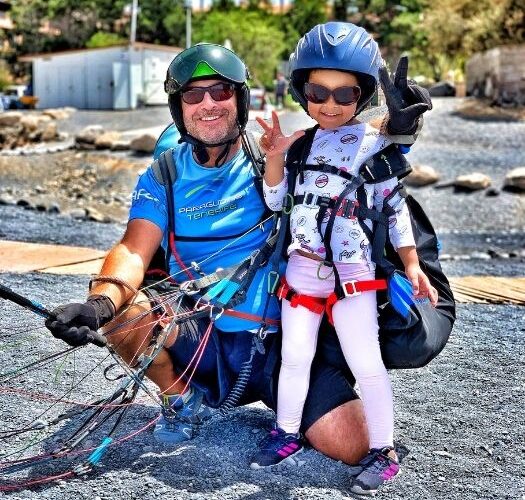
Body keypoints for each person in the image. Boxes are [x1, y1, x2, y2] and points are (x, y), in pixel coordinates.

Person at [44, 41, 432, 470]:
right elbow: (133, 248)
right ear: (178, 106)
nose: (208, 104)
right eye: (193, 94)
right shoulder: (164, 175)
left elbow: (346, 148)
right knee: (123, 313)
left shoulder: (273, 158)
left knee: (353, 444)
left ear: (240, 99)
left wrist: (401, 131)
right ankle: (181, 399)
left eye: (221, 92)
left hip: (277, 347)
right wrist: (98, 305)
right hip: (196, 337)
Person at [249, 22, 437, 496]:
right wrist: (274, 156)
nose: (329, 104)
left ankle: (384, 448)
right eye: (317, 91)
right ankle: (287, 432)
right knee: (295, 359)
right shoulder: (301, 145)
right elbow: (276, 203)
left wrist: (412, 263)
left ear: (363, 95)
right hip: (303, 270)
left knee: (366, 360)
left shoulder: (375, 146)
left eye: (344, 94)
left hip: (355, 274)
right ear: (301, 90)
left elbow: (393, 208)